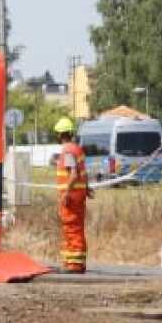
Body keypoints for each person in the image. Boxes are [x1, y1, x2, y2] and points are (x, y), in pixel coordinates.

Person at [54, 117, 93, 273]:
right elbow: (83, 173)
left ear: (59, 135)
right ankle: (78, 262)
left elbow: (74, 174)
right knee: (77, 228)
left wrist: (66, 193)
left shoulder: (68, 151)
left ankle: (74, 265)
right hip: (79, 195)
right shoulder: (77, 149)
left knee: (71, 229)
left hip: (71, 196)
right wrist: (87, 188)